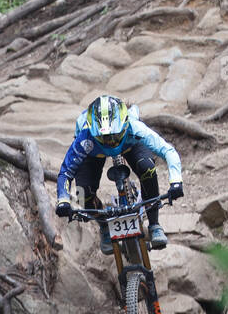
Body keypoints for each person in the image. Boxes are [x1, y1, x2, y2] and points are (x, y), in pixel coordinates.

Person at [55, 94, 183, 253]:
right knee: (83, 193)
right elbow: (66, 173)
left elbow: (167, 150)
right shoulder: (85, 137)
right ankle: (104, 226)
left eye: (115, 136)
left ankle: (154, 224)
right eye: (105, 138)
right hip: (94, 152)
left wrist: (176, 181)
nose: (110, 142)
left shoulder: (134, 127)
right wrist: (63, 200)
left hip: (128, 145)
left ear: (124, 124)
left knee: (147, 168)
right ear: (94, 132)